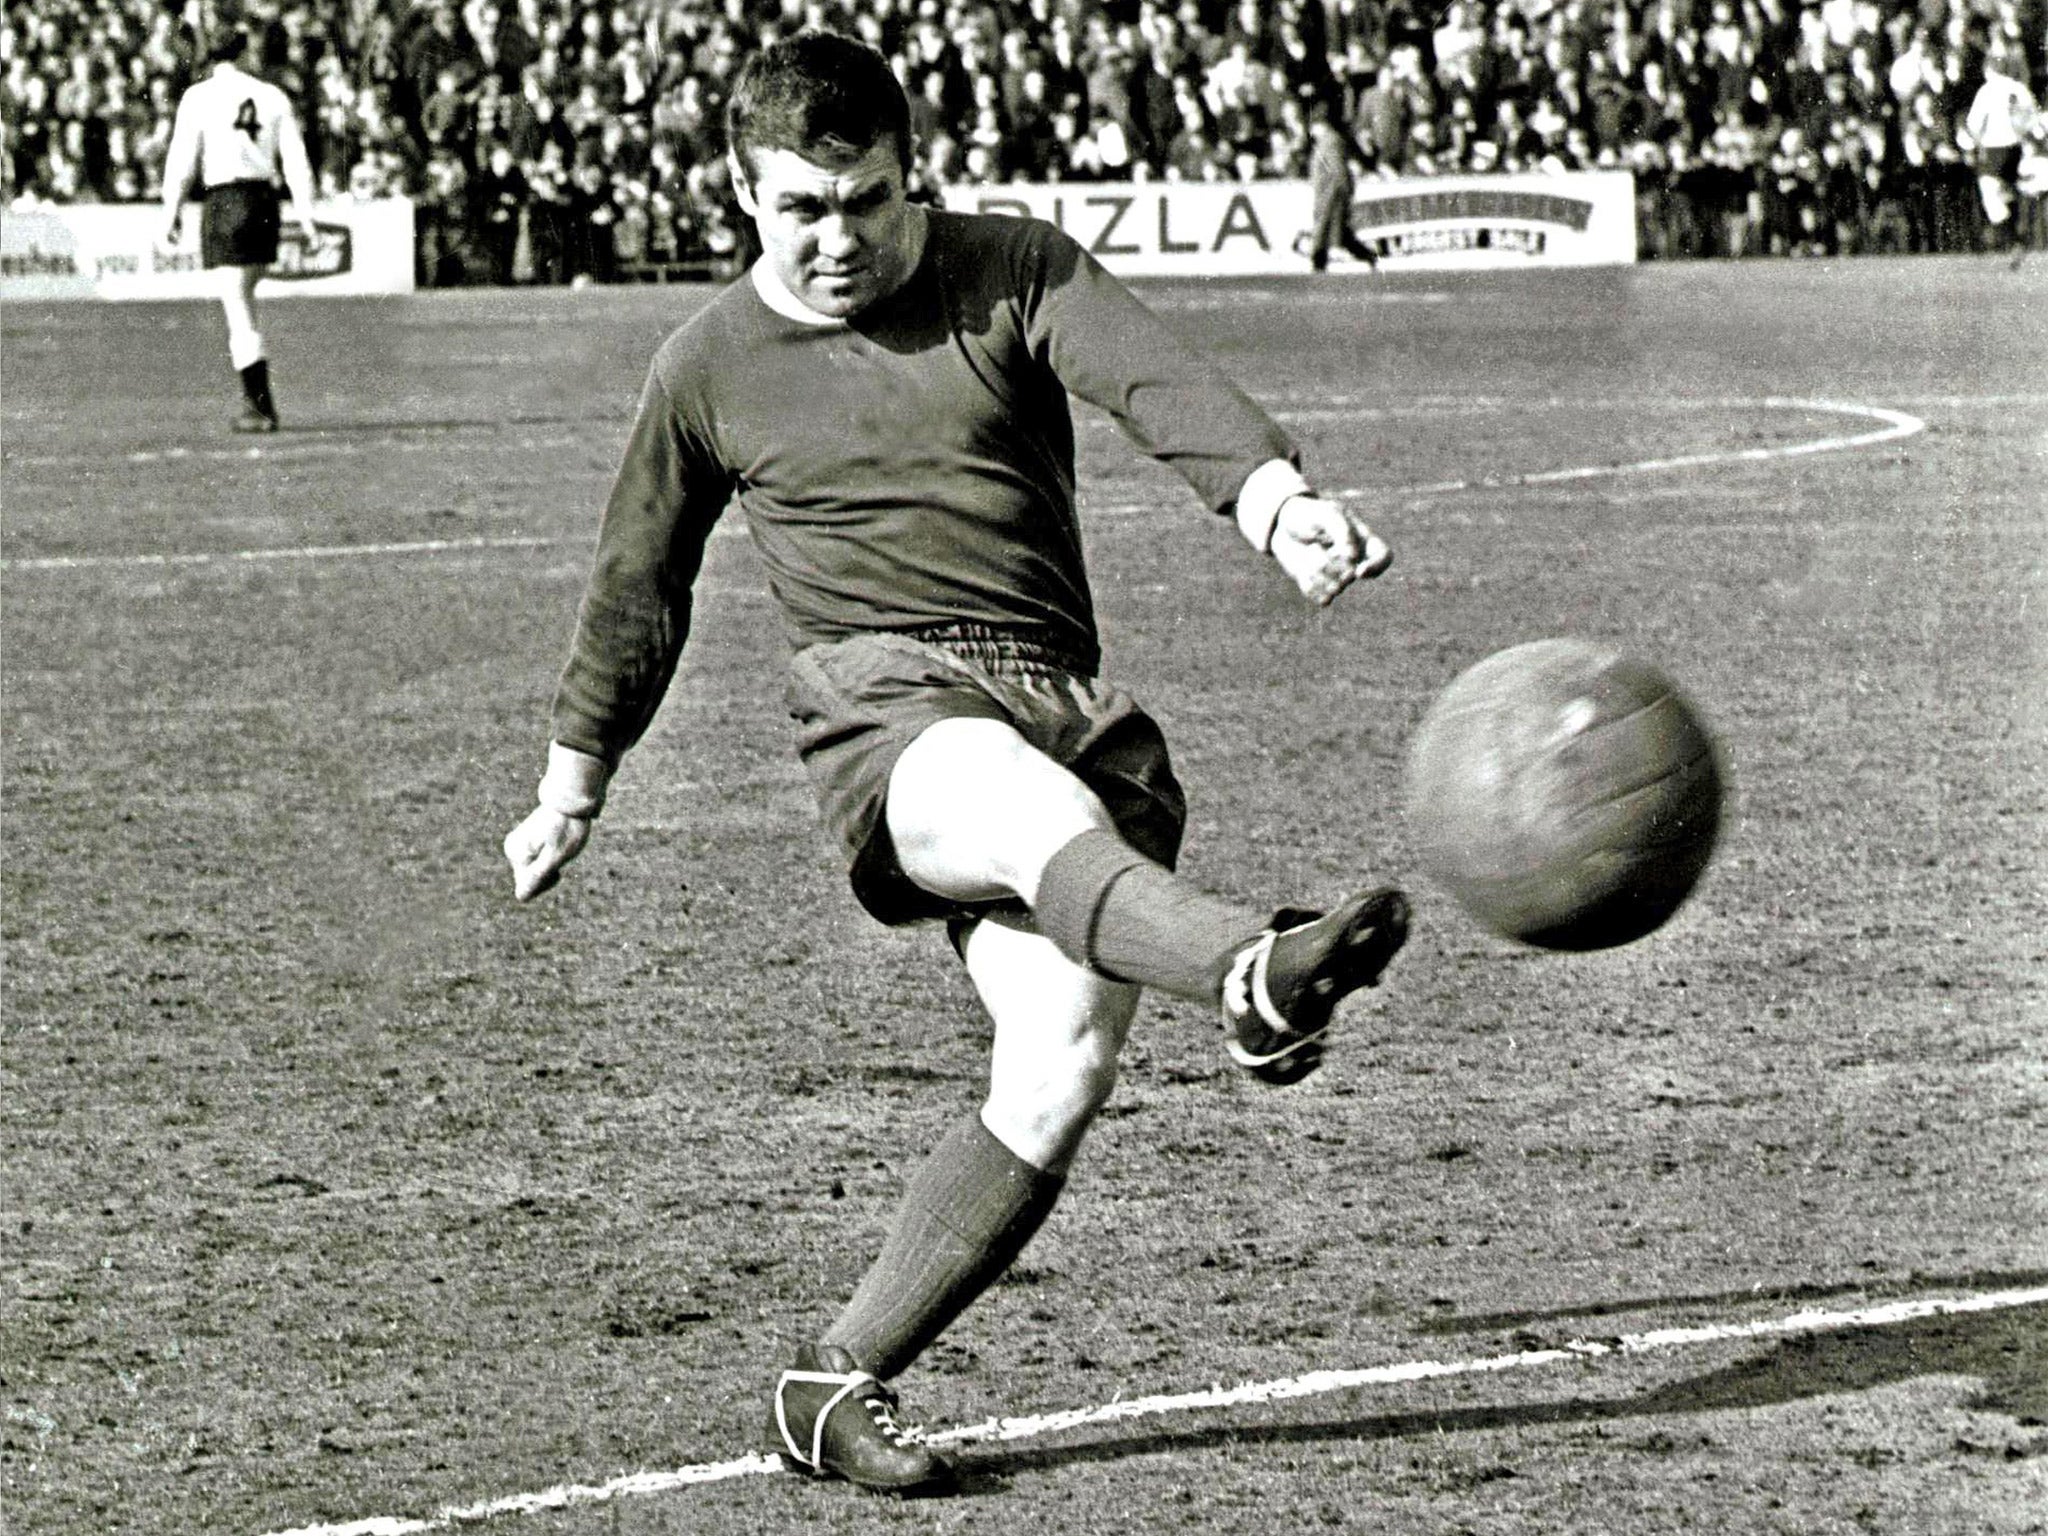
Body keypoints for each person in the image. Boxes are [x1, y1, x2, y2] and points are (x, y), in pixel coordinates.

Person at [502, 30, 1409, 1495]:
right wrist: (572, 780)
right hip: (885, 716)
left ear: (911, 176)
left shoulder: (1015, 270)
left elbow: (1155, 382)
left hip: (1069, 708)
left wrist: (1276, 500)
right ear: (744, 198)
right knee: (1014, 797)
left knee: (1056, 1060)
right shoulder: (704, 368)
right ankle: (1251, 973)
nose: (839, 235)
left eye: (866, 199)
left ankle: (830, 1382)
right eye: (800, 207)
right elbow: (638, 586)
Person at [160, 23, 318, 433]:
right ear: (246, 53)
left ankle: (260, 407)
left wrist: (170, 212)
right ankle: (259, 403)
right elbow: (296, 162)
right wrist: (306, 215)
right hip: (264, 202)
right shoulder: (272, 96)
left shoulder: (198, 96)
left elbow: (181, 161)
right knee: (243, 294)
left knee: (237, 305)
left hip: (226, 201)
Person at [1957, 43, 2041, 266]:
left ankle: (2014, 238)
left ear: (1988, 70)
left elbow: (1974, 124)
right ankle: (2017, 235)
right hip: (2017, 147)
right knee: (2009, 190)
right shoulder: (2019, 88)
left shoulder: (1987, 90)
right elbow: (2033, 117)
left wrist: (1968, 143)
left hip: (1994, 147)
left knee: (1990, 194)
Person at [1300, 97, 1381, 271]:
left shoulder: (1330, 142)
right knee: (1340, 233)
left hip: (1331, 194)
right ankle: (1369, 256)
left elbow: (1338, 169)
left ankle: (1318, 261)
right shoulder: (1328, 141)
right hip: (1330, 192)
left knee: (1325, 228)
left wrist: (1343, 190)